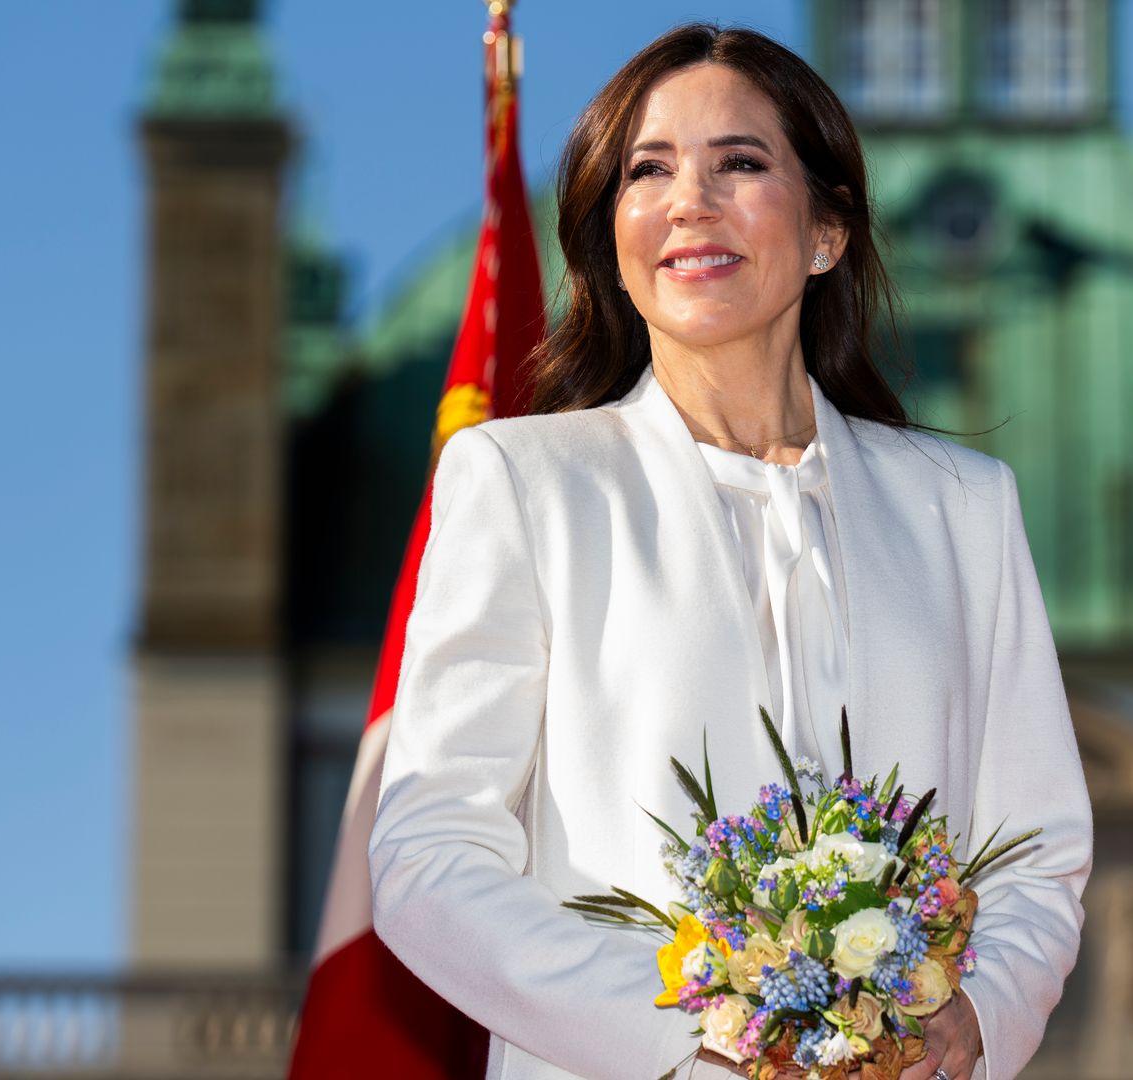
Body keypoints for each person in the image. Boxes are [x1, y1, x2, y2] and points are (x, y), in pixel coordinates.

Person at [368, 22, 1093, 1080]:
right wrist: (701, 1030)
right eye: (646, 171)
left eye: (740, 164)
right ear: (611, 236)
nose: (688, 201)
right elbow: (428, 860)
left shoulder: (964, 508)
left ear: (827, 230)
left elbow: (1035, 852)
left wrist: (976, 1014)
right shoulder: (521, 483)